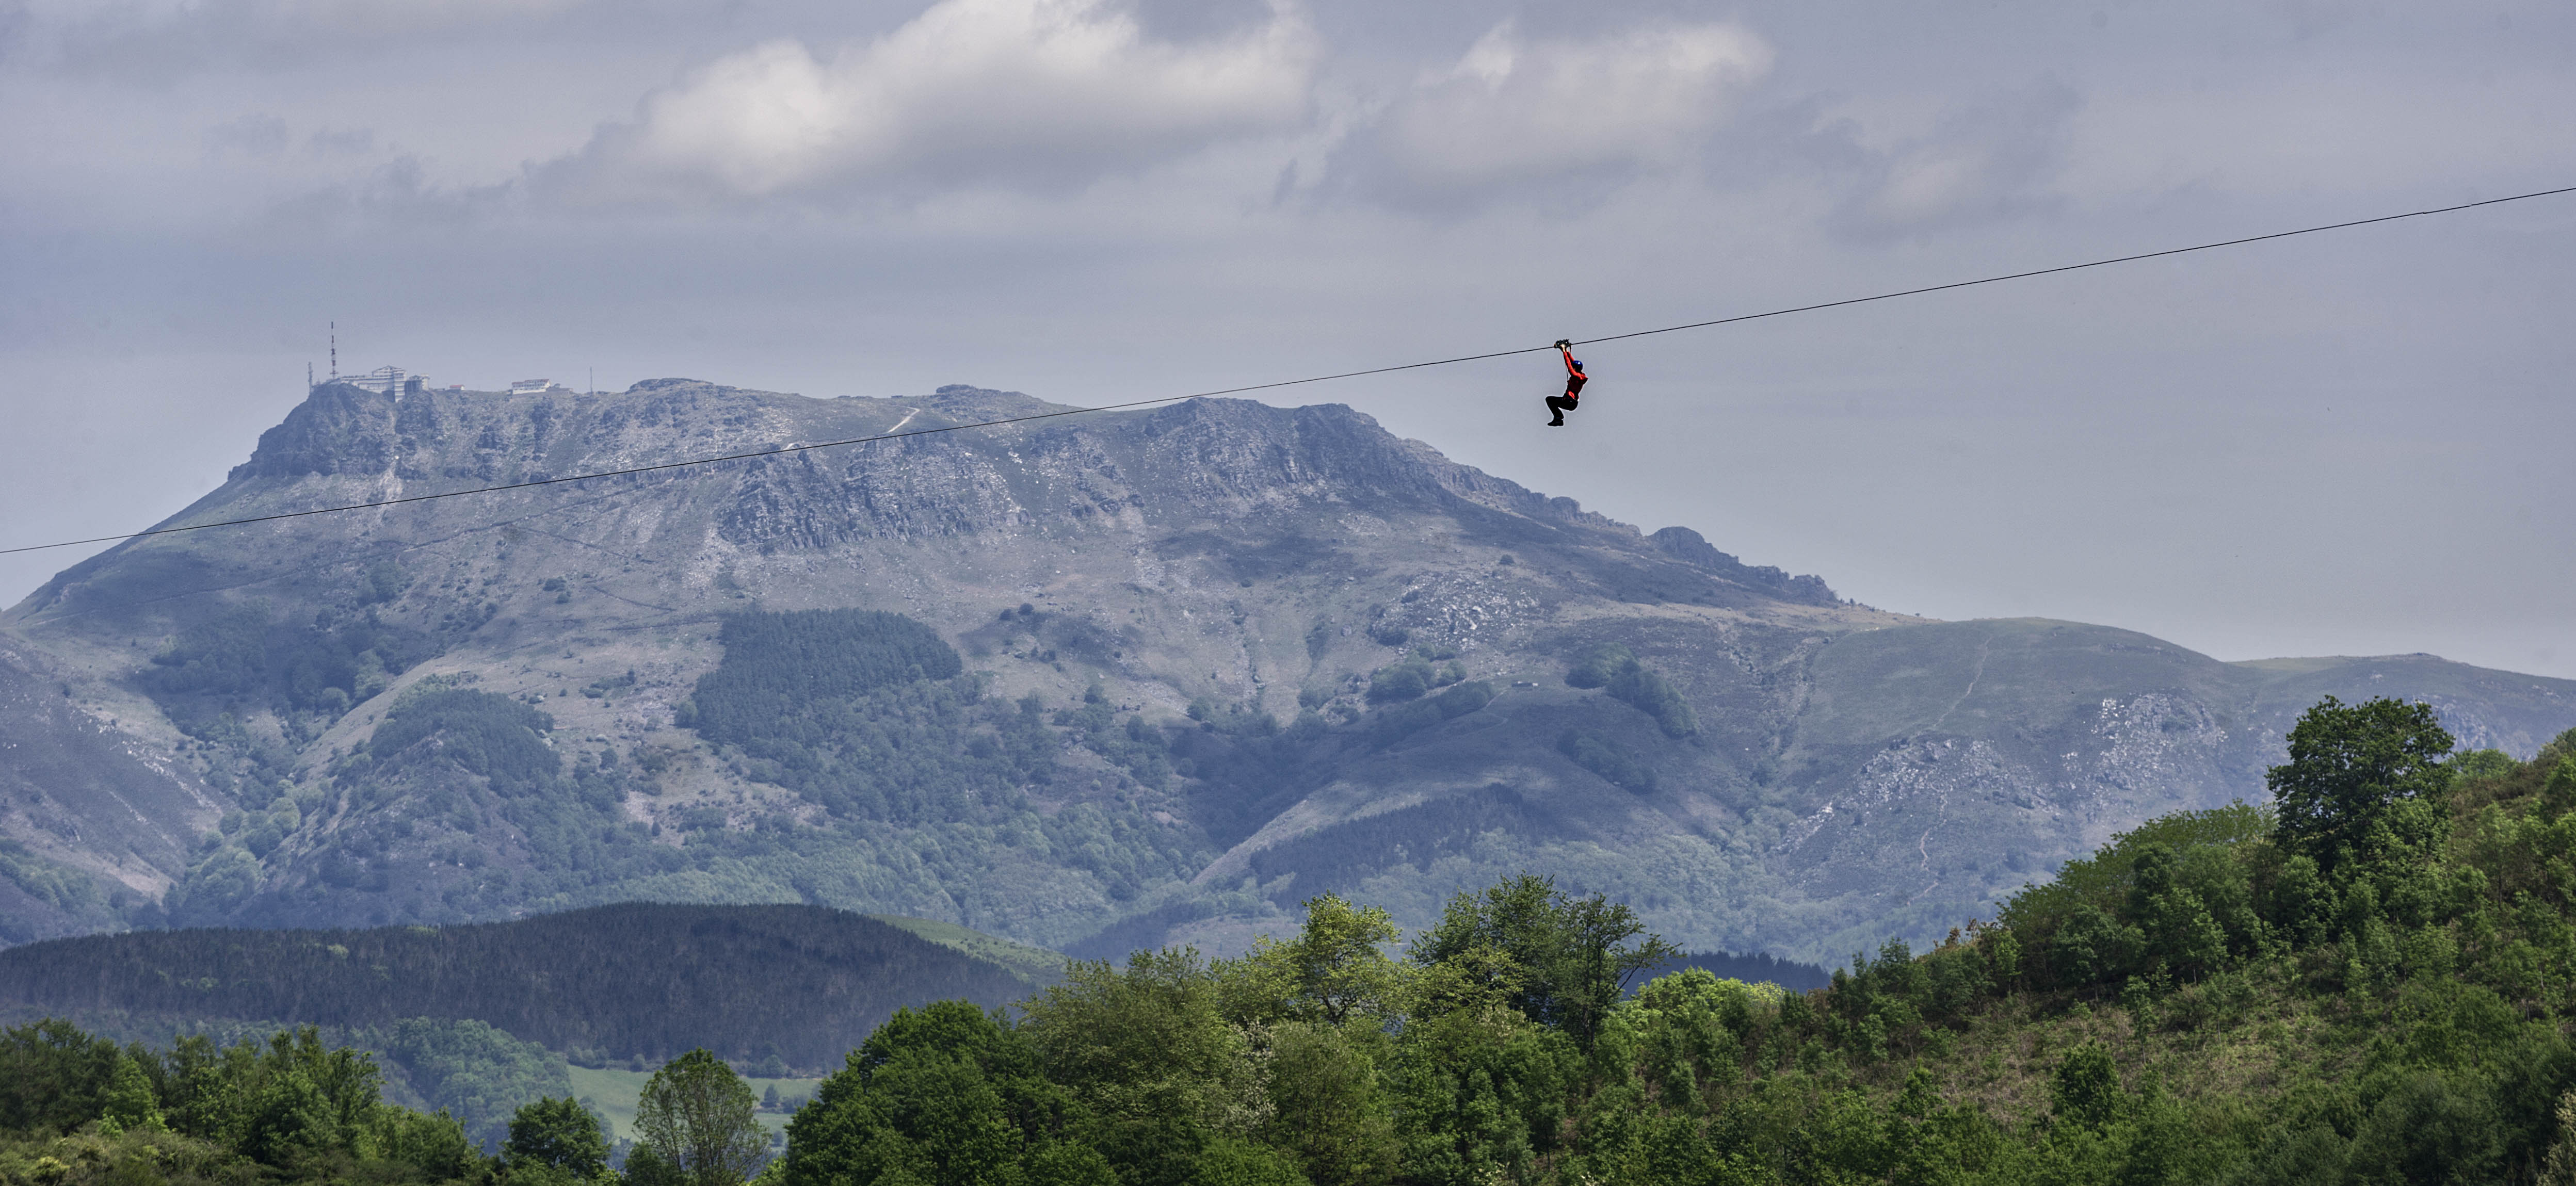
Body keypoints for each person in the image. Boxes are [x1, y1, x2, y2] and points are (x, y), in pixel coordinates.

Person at [1545, 339, 1586, 426]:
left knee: (1549, 400)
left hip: (1569, 402)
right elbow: (1572, 363)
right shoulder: (1581, 375)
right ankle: (1558, 418)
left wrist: (1564, 351)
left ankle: (1558, 418)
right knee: (1551, 400)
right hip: (1573, 403)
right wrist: (1567, 351)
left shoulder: (1575, 376)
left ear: (1575, 369)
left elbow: (1569, 365)